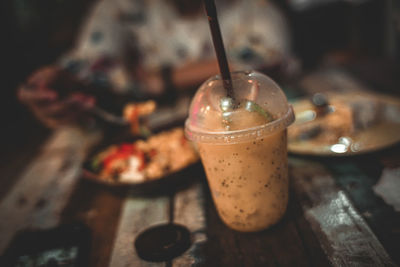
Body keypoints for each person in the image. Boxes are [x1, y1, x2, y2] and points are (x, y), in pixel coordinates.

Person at [18, 0, 293, 128]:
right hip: (153, 133)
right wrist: (59, 85)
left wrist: (159, 79)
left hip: (248, 127)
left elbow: (267, 56)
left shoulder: (251, 7)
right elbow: (92, 63)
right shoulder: (120, 8)